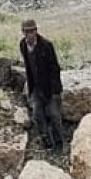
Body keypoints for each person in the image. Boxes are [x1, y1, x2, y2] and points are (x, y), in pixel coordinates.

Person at [19, 18, 64, 151]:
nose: (30, 34)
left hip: (50, 88)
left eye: (32, 31)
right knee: (37, 115)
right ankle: (46, 141)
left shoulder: (46, 45)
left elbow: (55, 68)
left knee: (54, 116)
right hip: (36, 88)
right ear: (23, 33)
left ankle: (59, 144)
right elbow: (28, 66)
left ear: (36, 31)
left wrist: (55, 91)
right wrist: (30, 88)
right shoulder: (23, 45)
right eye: (27, 32)